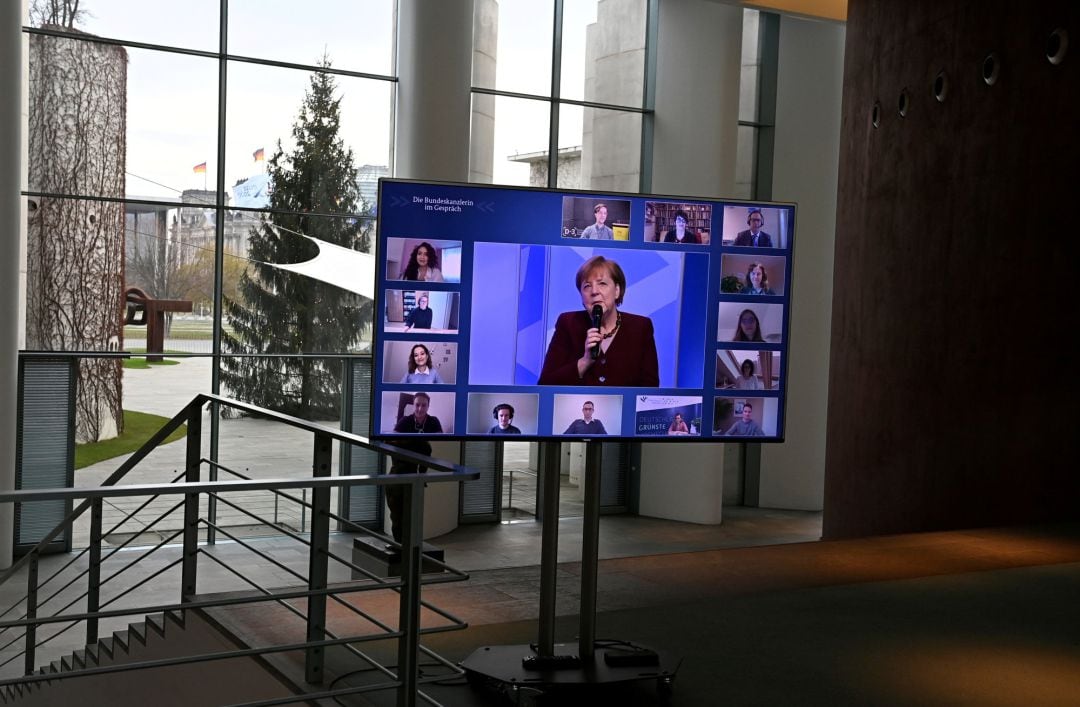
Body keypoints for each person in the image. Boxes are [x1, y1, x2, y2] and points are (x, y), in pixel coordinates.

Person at [538, 255, 660, 386]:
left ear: (617, 291)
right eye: (587, 286)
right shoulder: (568, 323)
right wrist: (585, 361)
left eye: (602, 283)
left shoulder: (640, 327)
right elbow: (545, 384)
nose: (594, 291)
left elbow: (650, 388)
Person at [383, 437, 432, 543]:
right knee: (403, 517)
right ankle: (404, 545)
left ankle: (401, 544)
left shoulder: (395, 442)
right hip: (406, 480)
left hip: (396, 480)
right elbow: (423, 467)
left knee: (397, 517)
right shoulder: (423, 445)